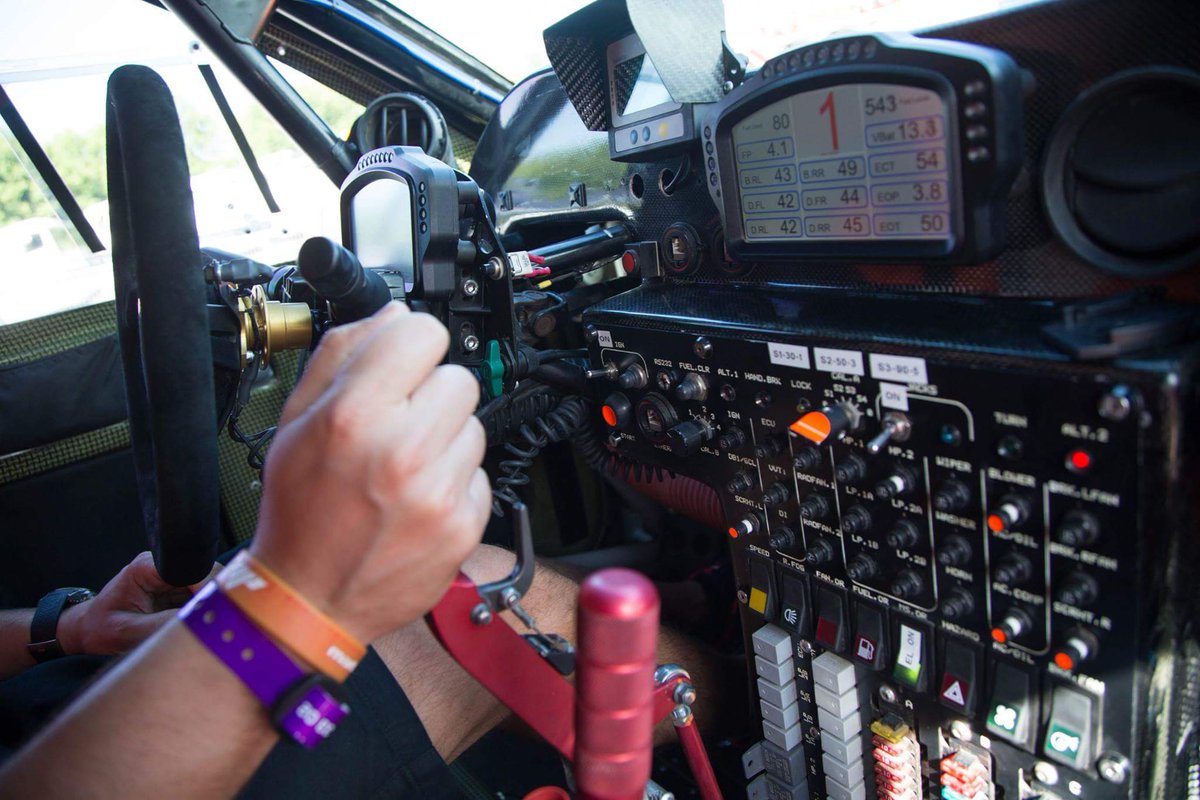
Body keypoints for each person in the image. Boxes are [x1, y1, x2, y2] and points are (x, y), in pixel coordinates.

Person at [0, 302, 725, 798]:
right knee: (480, 597)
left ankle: (694, 605)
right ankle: (738, 690)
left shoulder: (68, 639)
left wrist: (63, 628)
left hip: (47, 702)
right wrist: (292, 597)